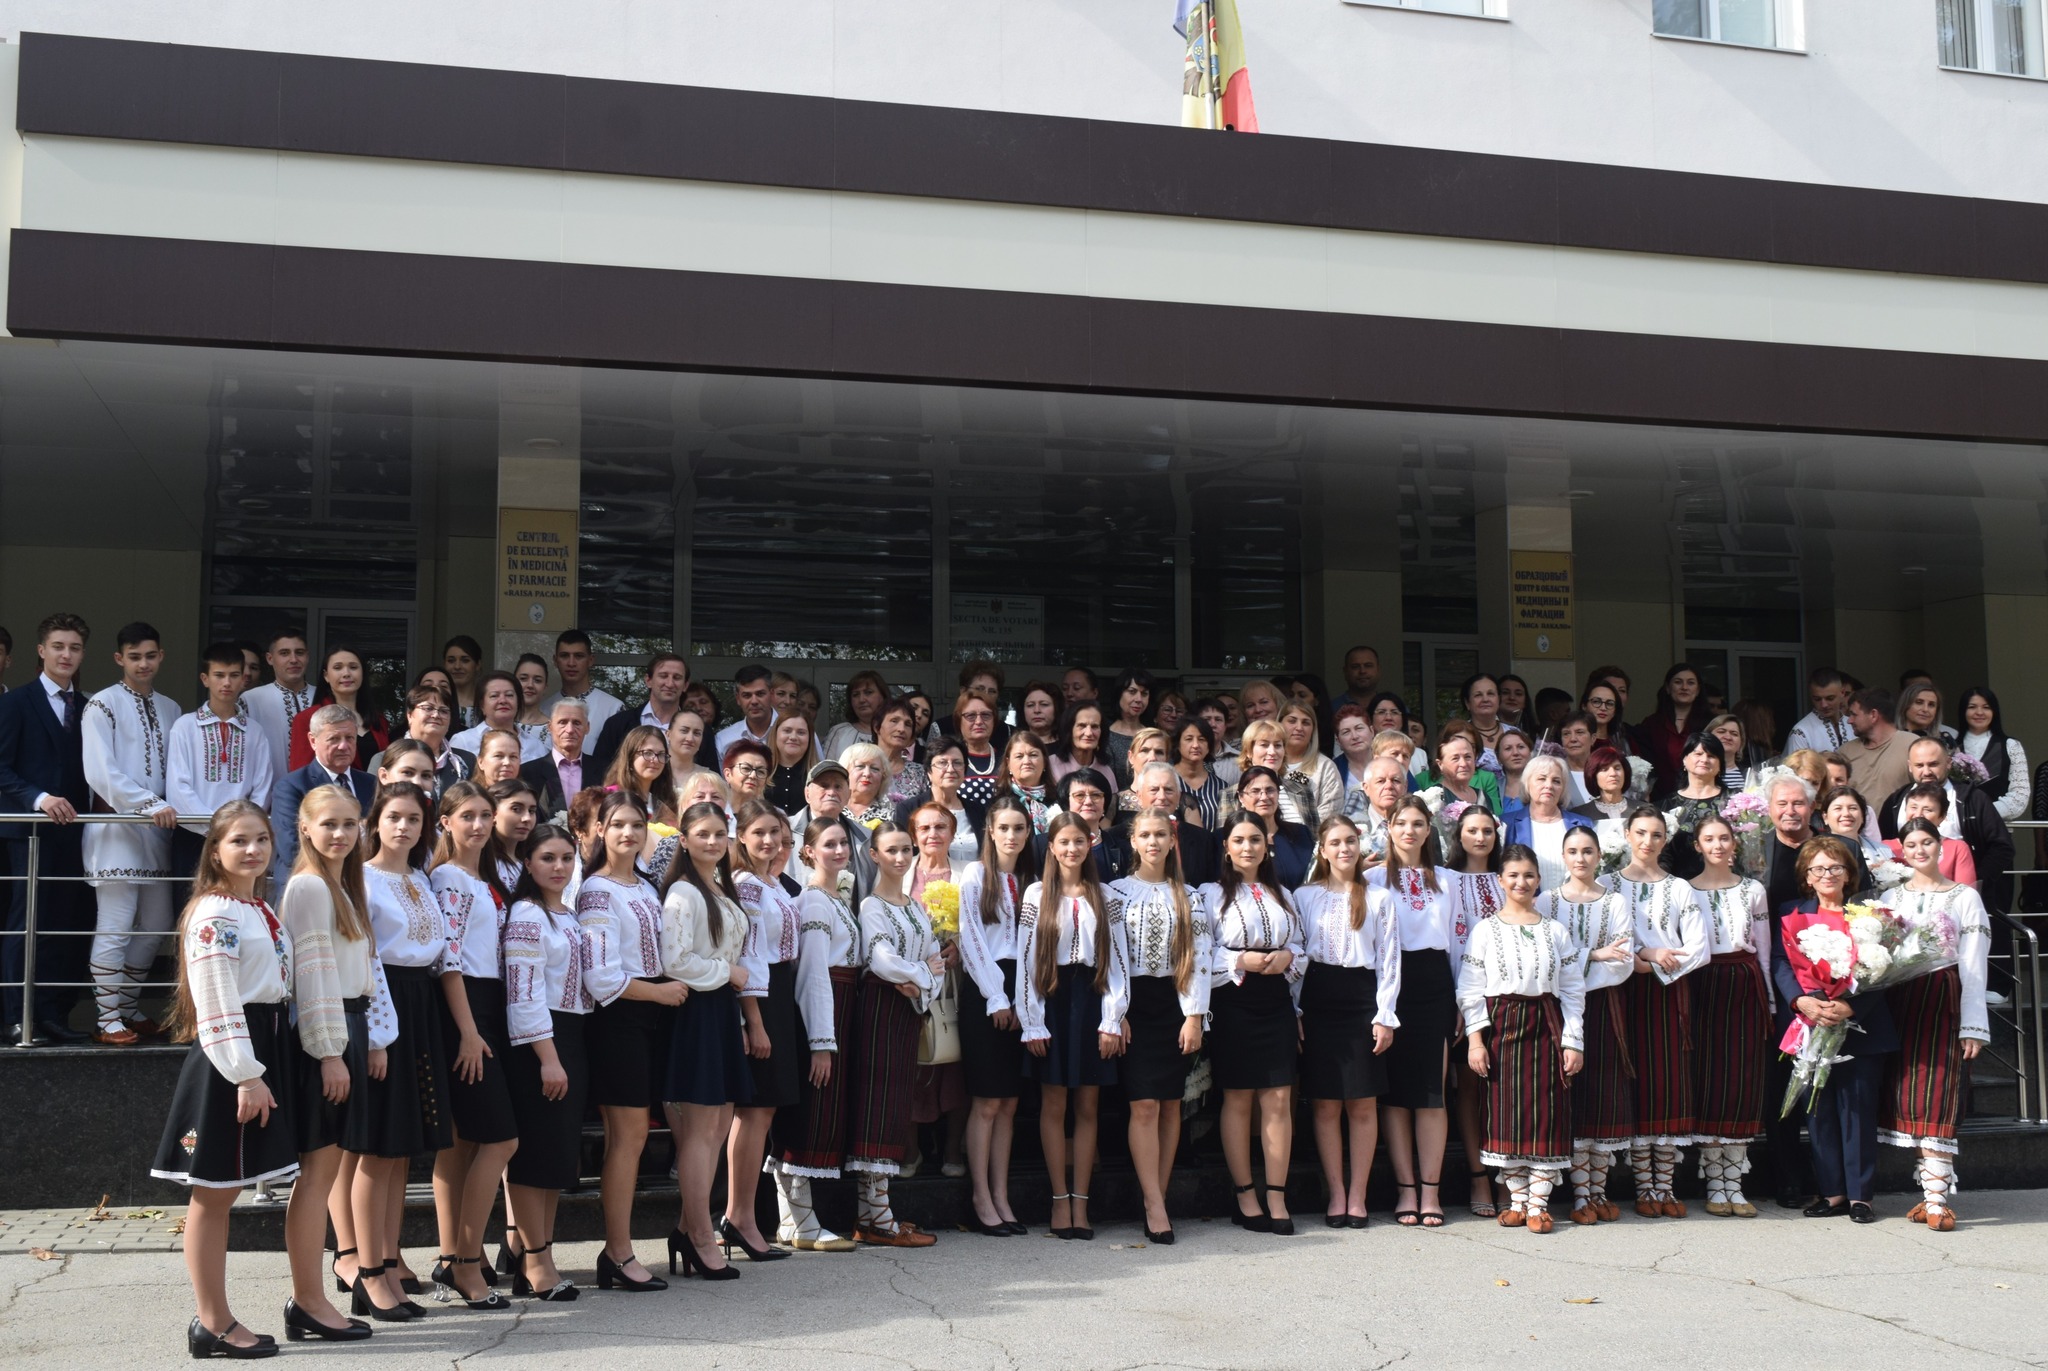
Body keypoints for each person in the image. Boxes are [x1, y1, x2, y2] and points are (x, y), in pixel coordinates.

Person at [150, 802, 305, 1357]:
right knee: (214, 1194)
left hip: (260, 1045)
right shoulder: (216, 912)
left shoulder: (255, 906)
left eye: (261, 838)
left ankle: (212, 1321)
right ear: (215, 851)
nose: (253, 849)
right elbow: (216, 1000)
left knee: (225, 1190)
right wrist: (246, 1075)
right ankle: (213, 1323)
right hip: (233, 1056)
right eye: (238, 840)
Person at [273, 786, 387, 1341]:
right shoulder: (310, 886)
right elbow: (313, 977)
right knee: (317, 1175)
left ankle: (311, 1300)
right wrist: (329, 1054)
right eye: (329, 824)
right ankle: (309, 1300)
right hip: (328, 1032)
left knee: (328, 1170)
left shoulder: (342, 885)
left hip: (350, 1026)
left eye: (349, 824)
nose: (341, 834)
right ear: (305, 829)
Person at [577, 792, 685, 1291]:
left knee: (634, 1137)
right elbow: (601, 977)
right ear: (600, 830)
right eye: (618, 824)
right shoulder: (597, 891)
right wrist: (659, 993)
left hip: (648, 1016)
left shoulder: (643, 885)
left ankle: (618, 1251)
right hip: (618, 1019)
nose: (628, 833)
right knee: (628, 1137)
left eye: (637, 825)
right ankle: (618, 1252)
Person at [1459, 844, 1585, 1234]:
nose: (1521, 882)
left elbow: (1573, 989)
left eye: (1529, 875)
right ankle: (1516, 1202)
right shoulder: (1485, 930)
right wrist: (1476, 1041)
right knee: (1505, 1114)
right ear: (1500, 880)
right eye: (1513, 875)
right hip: (1501, 1025)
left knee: (1547, 1113)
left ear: (1538, 880)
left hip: (1546, 1022)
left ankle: (1538, 1205)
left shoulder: (1555, 931)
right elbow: (1470, 989)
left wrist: (1573, 1040)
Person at [425, 782, 517, 1311]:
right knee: (501, 1140)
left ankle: (455, 1254)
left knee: (461, 1143)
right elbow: (450, 959)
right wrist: (467, 1030)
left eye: (485, 815)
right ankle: (463, 1261)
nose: (479, 825)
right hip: (468, 1009)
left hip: (488, 1005)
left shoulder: (482, 876)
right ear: (446, 822)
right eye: (467, 816)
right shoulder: (449, 879)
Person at [1775, 835, 1899, 1223]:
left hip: (1861, 1027)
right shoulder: (1791, 912)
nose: (1827, 874)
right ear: (1806, 876)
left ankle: (1861, 1196)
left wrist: (1850, 1006)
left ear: (1848, 874)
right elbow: (1781, 963)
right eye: (1818, 868)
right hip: (1811, 1024)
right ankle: (1832, 1193)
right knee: (1819, 1112)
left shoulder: (1870, 915)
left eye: (1835, 867)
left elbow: (1884, 970)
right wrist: (1801, 1001)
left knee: (1857, 1111)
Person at [655, 800, 755, 1280]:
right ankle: (699, 1235)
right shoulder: (682, 891)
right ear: (684, 839)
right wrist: (726, 972)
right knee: (700, 1131)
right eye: (703, 834)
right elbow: (674, 960)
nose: (713, 842)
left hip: (720, 1010)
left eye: (720, 834)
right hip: (696, 1009)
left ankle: (685, 1227)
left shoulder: (718, 886)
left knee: (718, 1127)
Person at [1019, 812, 1130, 1241]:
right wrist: (1032, 1021)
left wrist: (1112, 1018)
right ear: (1051, 847)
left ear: (1090, 844)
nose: (1072, 849)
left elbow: (1118, 962)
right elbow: (1026, 962)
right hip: (1052, 999)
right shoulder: (1036, 895)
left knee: (1087, 1106)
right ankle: (1059, 1199)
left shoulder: (1107, 896)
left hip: (1093, 999)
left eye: (1079, 841)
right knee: (1053, 1104)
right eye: (1064, 842)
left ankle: (1081, 1202)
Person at [1104, 808, 1211, 1244]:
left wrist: (1194, 1015)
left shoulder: (1190, 896)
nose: (1153, 842)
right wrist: (1117, 1012)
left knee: (1170, 1104)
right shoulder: (1115, 893)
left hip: (1174, 1003)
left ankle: (1159, 1197)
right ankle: (1152, 1202)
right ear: (1133, 841)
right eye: (1145, 834)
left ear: (1172, 841)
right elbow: (1109, 958)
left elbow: (1199, 957)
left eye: (1161, 834)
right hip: (1134, 1004)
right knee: (1144, 1104)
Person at [1880, 818, 1993, 1231]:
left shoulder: (1965, 897)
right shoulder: (1891, 896)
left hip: (1944, 999)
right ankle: (1930, 1195)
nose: (1920, 850)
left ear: (1940, 847)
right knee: (1911, 1099)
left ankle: (1936, 1203)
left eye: (1927, 842)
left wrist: (1973, 1024)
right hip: (1901, 1002)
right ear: (1903, 851)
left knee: (1938, 1097)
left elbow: (1974, 963)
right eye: (1911, 844)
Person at [1202, 809, 1305, 1236]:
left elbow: (1301, 944)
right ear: (1226, 847)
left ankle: (1276, 1195)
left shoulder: (1283, 894)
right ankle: (1245, 1194)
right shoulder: (1210, 894)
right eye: (1239, 840)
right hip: (1233, 1000)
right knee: (1239, 1098)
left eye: (1256, 840)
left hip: (1276, 999)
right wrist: (1239, 959)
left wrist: (1288, 957)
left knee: (1278, 1098)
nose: (1248, 847)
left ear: (1267, 846)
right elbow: (1201, 950)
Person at [81, 621, 183, 1044]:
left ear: (161, 657)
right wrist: (148, 803)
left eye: (150, 656)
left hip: (158, 827)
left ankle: (127, 1005)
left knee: (158, 924)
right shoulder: (101, 704)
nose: (143, 664)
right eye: (135, 656)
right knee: (116, 923)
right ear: (119, 658)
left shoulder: (172, 708)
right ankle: (107, 1019)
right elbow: (100, 771)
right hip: (116, 826)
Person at [1294, 815, 1398, 1229]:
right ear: (1322, 850)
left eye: (1351, 841)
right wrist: (1295, 1010)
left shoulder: (1379, 897)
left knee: (1362, 1102)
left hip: (1361, 998)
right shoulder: (1304, 896)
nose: (1344, 849)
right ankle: (1336, 1192)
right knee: (1324, 1103)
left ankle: (1359, 1195)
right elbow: (1297, 956)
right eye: (1335, 842)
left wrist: (1385, 1014)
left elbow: (1390, 959)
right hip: (1319, 997)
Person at [497, 825, 586, 1301]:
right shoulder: (528, 914)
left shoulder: (565, 913)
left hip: (570, 1034)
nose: (558, 866)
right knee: (534, 1156)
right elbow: (524, 992)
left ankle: (541, 1255)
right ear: (528, 863)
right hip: (540, 1041)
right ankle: (533, 1260)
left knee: (554, 1156)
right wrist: (548, 1058)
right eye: (548, 858)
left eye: (567, 858)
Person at [766, 814, 862, 1252]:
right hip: (824, 1011)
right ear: (808, 852)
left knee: (819, 1113)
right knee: (810, 1116)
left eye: (843, 843)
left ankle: (792, 1220)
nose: (839, 850)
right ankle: (801, 1221)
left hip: (841, 1006)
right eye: (829, 844)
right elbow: (814, 973)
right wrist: (821, 1042)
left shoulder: (834, 898)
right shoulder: (815, 902)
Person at [846, 821, 945, 1246]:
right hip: (880, 1010)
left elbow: (937, 962)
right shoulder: (872, 906)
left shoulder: (915, 906)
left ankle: (872, 1215)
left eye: (907, 849)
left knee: (894, 1106)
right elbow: (882, 961)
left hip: (907, 1010)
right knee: (878, 1105)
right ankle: (879, 1218)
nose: (901, 858)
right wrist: (921, 974)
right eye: (892, 850)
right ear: (874, 855)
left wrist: (920, 983)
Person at [0, 614, 97, 1043]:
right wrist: (39, 798)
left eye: (74, 648)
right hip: (30, 834)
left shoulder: (90, 706)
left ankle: (53, 1014)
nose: (66, 655)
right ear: (41, 651)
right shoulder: (16, 703)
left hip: (76, 833)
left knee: (64, 922)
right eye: (58, 646)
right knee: (26, 924)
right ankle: (16, 1016)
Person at [1537, 825, 1634, 1224]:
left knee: (1602, 1094)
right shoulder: (1546, 901)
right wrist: (1593, 955)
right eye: (1573, 851)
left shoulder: (1615, 901)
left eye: (1588, 851)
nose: (1580, 858)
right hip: (1560, 1007)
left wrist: (1578, 968)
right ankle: (1579, 1194)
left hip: (1604, 1005)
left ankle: (1598, 1190)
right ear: (1563, 856)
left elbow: (1623, 960)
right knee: (1572, 1094)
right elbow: (1545, 956)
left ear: (1598, 856)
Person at [1613, 805, 1707, 1218]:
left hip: (1669, 990)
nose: (1647, 841)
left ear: (1665, 839)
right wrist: (1644, 954)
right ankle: (1642, 1186)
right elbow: (1611, 940)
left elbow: (1699, 948)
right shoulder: (1609, 885)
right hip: (1626, 989)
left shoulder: (1680, 888)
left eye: (1655, 834)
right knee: (1634, 1081)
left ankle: (1664, 1186)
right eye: (1640, 833)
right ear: (1627, 835)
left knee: (1668, 1082)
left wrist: (1656, 966)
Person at [1366, 796, 1454, 1227]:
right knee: (1396, 1094)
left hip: (1434, 983)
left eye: (1418, 823)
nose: (1409, 831)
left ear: (1428, 829)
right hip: (1389, 983)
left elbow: (1459, 941)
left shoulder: (1449, 880)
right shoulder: (1371, 878)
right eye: (1401, 823)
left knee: (1432, 1093)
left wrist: (1462, 1000)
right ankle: (1405, 1189)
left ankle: (1431, 1190)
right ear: (1389, 827)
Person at [724, 802, 804, 1262]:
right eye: (759, 833)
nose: (769, 841)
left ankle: (741, 1216)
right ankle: (739, 1216)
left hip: (779, 992)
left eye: (775, 832)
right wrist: (754, 1021)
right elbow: (749, 953)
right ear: (741, 836)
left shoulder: (771, 881)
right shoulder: (747, 885)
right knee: (754, 1112)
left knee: (763, 1111)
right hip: (761, 996)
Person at [1687, 814, 1771, 1217]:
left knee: (1741, 1080)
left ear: (1734, 844)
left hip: (1744, 981)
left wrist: (1769, 999)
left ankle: (1735, 1182)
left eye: (1724, 838)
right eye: (1709, 839)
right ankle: (1714, 1183)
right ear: (1697, 846)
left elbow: (1764, 948)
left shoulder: (1753, 890)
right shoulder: (1685, 890)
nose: (1717, 845)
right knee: (1709, 1078)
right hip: (1704, 983)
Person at [955, 797, 1033, 1237]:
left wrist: (1026, 1001)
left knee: (1009, 1103)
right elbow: (971, 939)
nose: (1011, 836)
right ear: (990, 830)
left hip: (1022, 990)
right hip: (987, 988)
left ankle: (1002, 1196)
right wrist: (997, 997)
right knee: (986, 1101)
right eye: (1004, 827)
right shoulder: (975, 874)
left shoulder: (1031, 878)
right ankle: (980, 1197)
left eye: (1019, 828)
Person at [1440, 804, 1504, 1218]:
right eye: (1472, 830)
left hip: (1505, 995)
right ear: (1458, 835)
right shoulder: (1446, 880)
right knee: (1467, 1085)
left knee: (1501, 1087)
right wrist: (1458, 998)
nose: (1480, 838)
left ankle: (1506, 1172)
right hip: (1461, 992)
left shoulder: (1507, 878)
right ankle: (1478, 1174)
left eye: (1487, 831)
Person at [1880, 736, 2014, 910]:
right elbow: (1882, 847)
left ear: (1949, 763)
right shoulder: (1895, 801)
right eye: (1919, 765)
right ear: (1910, 766)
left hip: (1961, 896)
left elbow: (2002, 846)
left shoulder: (1973, 798)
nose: (1926, 771)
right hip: (1905, 900)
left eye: (1933, 764)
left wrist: (1976, 881)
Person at [269, 704, 377, 886]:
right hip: (307, 885)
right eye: (334, 739)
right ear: (313, 741)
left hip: (363, 886)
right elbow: (291, 848)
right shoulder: (291, 787)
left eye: (349, 738)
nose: (344, 746)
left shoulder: (371, 784)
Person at [1500, 754, 1594, 898]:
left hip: (1576, 904)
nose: (1549, 785)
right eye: (1541, 779)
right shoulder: (1507, 824)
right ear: (1527, 784)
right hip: (1527, 906)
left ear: (1563, 788)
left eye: (1556, 781)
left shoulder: (1583, 824)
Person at [587, 651, 689, 780]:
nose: (669, 683)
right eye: (663, 676)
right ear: (648, 680)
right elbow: (601, 773)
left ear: (685, 685)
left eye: (677, 678)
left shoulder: (699, 731)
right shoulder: (618, 724)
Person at [288, 647, 388, 772]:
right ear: (326, 676)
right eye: (337, 668)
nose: (346, 673)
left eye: (353, 667)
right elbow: (300, 772)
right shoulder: (307, 718)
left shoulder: (379, 720)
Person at [242, 630, 313, 792]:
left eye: (299, 653)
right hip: (267, 795)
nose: (293, 659)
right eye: (284, 653)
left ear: (307, 657)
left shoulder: (323, 698)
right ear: (270, 658)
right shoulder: (251, 700)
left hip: (319, 796)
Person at [1658, 732, 1731, 881]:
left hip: (1725, 882)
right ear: (1685, 759)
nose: (1704, 760)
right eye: (1698, 754)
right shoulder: (1665, 805)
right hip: (1678, 885)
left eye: (1711, 756)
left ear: (1720, 765)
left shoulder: (1735, 801)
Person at [1230, 765, 1315, 887]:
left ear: (1278, 793)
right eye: (1255, 791)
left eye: (1270, 790)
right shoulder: (1228, 838)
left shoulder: (1301, 833)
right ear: (1241, 797)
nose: (1264, 797)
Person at [1956, 686, 2029, 823]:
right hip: (1957, 828)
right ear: (1963, 711)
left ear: (1994, 711)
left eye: (1986, 707)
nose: (1979, 712)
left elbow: (2020, 795)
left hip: (1997, 827)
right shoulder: (1951, 748)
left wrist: (1984, 811)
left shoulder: (2010, 745)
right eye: (1972, 707)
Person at [1840, 687, 1913, 807]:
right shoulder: (1845, 752)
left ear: (1873, 715)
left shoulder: (1912, 745)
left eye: (1854, 715)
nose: (1849, 721)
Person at [521, 698, 593, 818]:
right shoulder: (527, 773)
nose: (570, 730)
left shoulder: (605, 770)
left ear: (587, 727)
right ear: (550, 727)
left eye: (577, 723)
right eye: (562, 722)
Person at [543, 630, 622, 735]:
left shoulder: (613, 709)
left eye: (579, 656)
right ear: (555, 660)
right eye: (564, 656)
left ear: (590, 660)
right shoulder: (544, 709)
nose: (571, 663)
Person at [1279, 702, 1343, 826]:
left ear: (1313, 730)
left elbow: (1329, 815)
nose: (1299, 728)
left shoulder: (1325, 767)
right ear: (1279, 724)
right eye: (1292, 721)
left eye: (1306, 723)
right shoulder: (1268, 762)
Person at [1048, 700, 1115, 793]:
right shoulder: (1051, 766)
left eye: (1094, 726)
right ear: (1069, 730)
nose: (1089, 733)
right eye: (1082, 726)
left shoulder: (1106, 771)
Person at [714, 663, 780, 759]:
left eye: (760, 694)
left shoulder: (792, 732)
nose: (754, 701)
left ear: (772, 694)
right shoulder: (723, 739)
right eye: (747, 695)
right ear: (738, 699)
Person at [995, 731, 1055, 835]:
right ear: (1008, 763)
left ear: (1045, 761)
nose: (1027, 761)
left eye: (1033, 755)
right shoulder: (998, 802)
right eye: (1019, 756)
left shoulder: (1059, 800)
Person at [822, 669, 890, 761]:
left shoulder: (894, 732)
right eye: (855, 695)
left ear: (883, 696)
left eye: (868, 692)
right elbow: (826, 767)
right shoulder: (839, 732)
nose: (861, 699)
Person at [1101, 667, 1155, 781]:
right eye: (1132, 692)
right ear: (1119, 694)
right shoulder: (1104, 735)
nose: (1139, 699)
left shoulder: (1154, 735)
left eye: (1144, 694)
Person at [1786, 668, 1854, 755]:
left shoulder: (1854, 725)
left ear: (1842, 692)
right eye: (1817, 699)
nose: (1824, 705)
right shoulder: (1801, 732)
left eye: (1830, 698)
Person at [766, 710, 817, 814]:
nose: (793, 737)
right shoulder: (760, 773)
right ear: (775, 734)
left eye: (801, 732)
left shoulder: (819, 777)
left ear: (810, 738)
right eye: (787, 731)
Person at [1336, 644, 1381, 711]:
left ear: (1378, 670)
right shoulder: (1331, 709)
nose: (1362, 671)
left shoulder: (1391, 708)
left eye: (1368, 665)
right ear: (1345, 671)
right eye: (1355, 667)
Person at [1018, 680, 1062, 749]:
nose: (1037, 710)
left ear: (1056, 708)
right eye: (1030, 705)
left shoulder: (1069, 746)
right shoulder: (1014, 746)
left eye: (1044, 704)